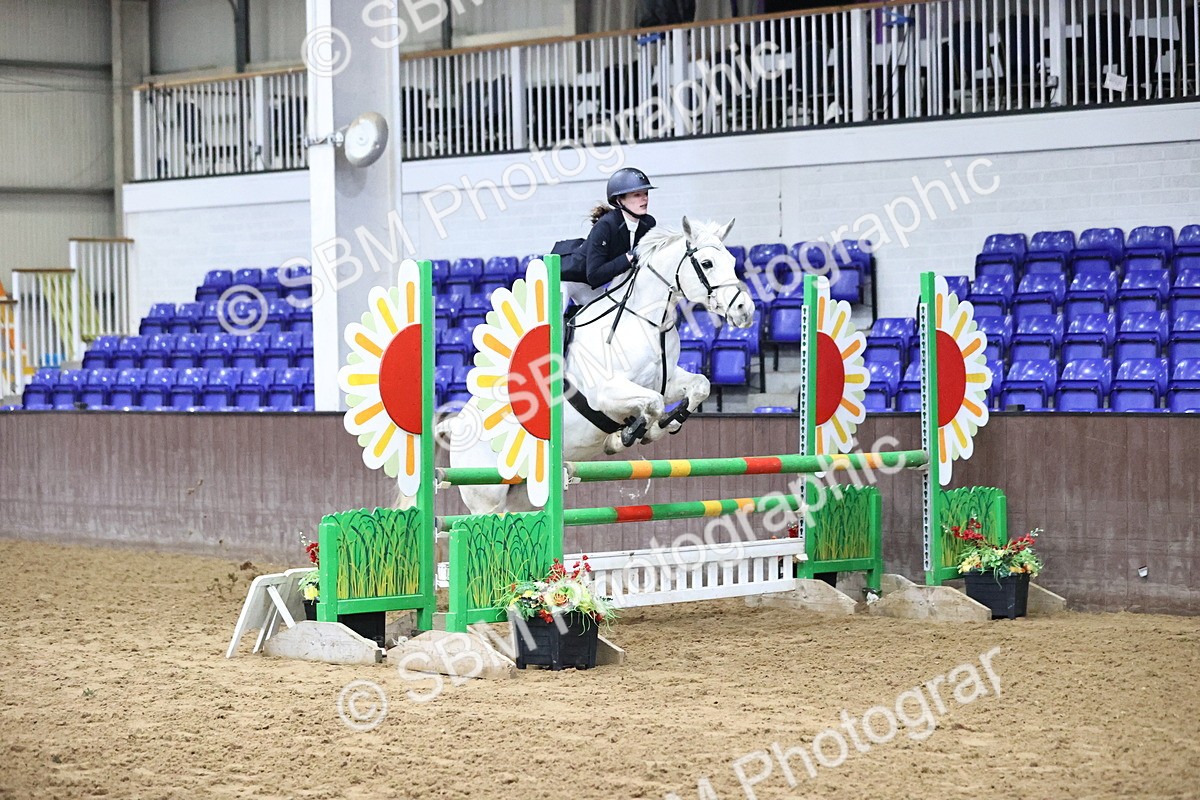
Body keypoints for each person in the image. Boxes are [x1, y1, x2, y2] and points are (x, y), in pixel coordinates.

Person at [561, 167, 657, 308]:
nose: (645, 199)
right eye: (637, 195)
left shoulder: (648, 223)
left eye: (646, 193)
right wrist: (628, 257)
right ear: (619, 201)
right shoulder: (605, 225)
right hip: (568, 280)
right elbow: (594, 275)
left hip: (590, 286)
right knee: (555, 321)